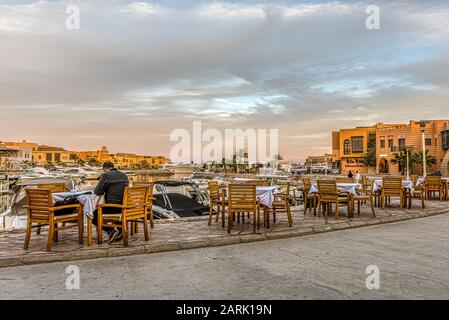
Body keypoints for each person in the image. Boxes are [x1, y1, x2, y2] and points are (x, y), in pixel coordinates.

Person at [93, 162, 129, 243]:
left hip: (114, 208)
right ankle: (120, 231)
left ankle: (111, 231)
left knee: (94, 215)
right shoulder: (124, 175)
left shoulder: (106, 175)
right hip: (124, 207)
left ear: (105, 169)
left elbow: (97, 192)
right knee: (113, 204)